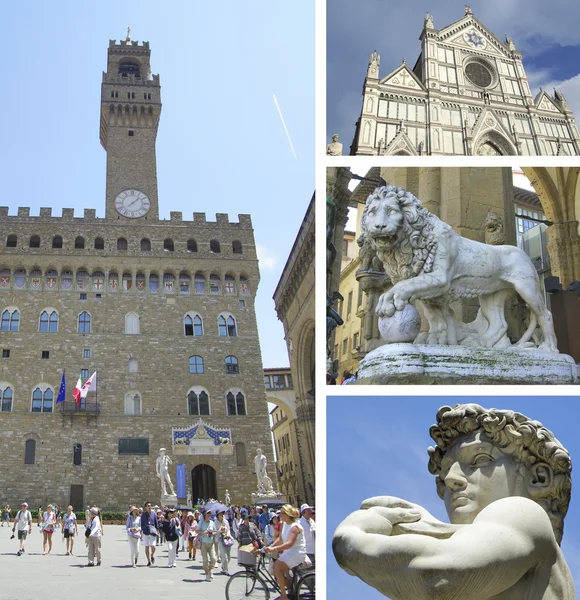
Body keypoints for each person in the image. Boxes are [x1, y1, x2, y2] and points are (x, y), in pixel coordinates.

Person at [333, 403, 576, 600]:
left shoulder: (525, 513)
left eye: (480, 459)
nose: (451, 479)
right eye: (447, 470)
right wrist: (425, 528)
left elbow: (437, 577)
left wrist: (351, 539)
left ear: (538, 478)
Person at [265, 504, 307, 600]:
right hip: (289, 551)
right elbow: (280, 539)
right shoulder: (284, 524)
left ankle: (284, 596)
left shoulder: (295, 527)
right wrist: (270, 547)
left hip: (297, 552)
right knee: (276, 571)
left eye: (282, 513)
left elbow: (290, 543)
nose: (280, 515)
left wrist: (275, 549)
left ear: (287, 514)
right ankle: (291, 589)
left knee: (277, 567)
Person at [197, 509, 217, 581]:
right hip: (203, 543)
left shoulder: (212, 522)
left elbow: (215, 532)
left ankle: (210, 569)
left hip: (211, 543)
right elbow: (197, 531)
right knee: (205, 560)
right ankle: (207, 574)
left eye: (210, 514)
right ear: (205, 515)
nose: (209, 515)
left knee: (213, 559)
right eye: (208, 514)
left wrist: (212, 533)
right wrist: (204, 532)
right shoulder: (201, 522)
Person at [140, 501, 158, 566]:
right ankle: (148, 561)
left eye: (150, 506)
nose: (149, 507)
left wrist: (157, 531)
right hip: (145, 532)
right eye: (148, 506)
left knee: (153, 546)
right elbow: (141, 524)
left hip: (152, 532)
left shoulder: (153, 514)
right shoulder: (143, 515)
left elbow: (156, 523)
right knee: (147, 546)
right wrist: (141, 531)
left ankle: (152, 554)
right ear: (145, 507)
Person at [216, 509, 233, 575]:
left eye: (222, 514)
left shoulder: (225, 521)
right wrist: (220, 530)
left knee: (229, 556)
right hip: (220, 539)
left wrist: (228, 534)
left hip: (227, 539)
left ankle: (223, 566)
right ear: (218, 516)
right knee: (224, 555)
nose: (222, 515)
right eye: (220, 514)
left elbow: (228, 529)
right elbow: (215, 532)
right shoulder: (215, 522)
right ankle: (225, 570)